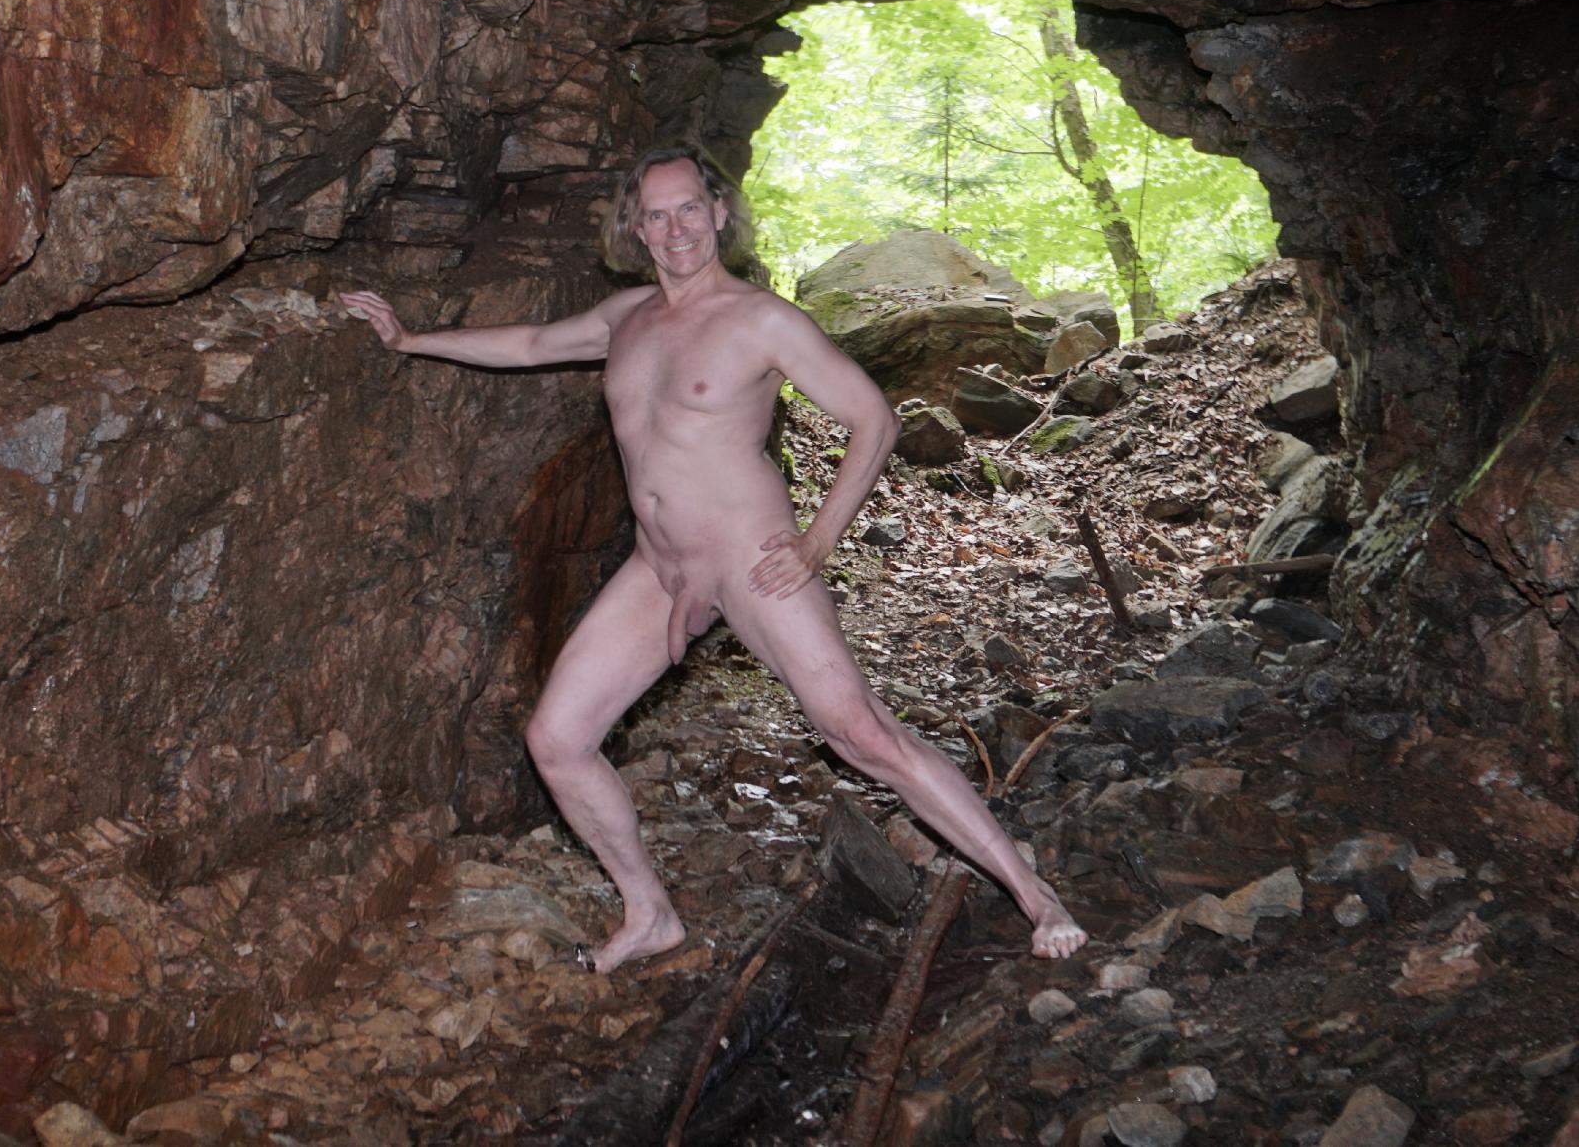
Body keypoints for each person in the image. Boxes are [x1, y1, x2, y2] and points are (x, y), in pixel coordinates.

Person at [341, 145, 1086, 970]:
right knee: (556, 738)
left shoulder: (762, 320)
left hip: (752, 560)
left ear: (719, 213)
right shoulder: (627, 317)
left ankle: (1034, 895)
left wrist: (817, 543)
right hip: (658, 568)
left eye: (688, 209)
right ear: (636, 228)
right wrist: (409, 339)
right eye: (655, 215)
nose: (675, 229)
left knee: (860, 735)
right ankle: (649, 914)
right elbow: (530, 342)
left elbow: (874, 420)